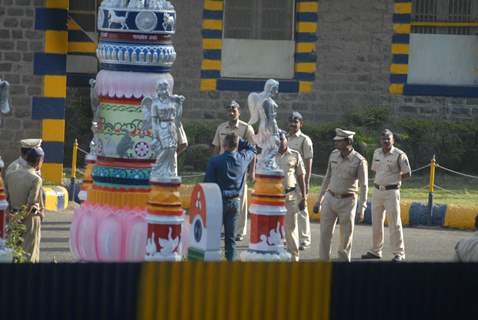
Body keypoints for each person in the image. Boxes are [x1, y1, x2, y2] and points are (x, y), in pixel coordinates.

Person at [313, 128, 368, 262]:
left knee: (346, 237)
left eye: (339, 141)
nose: (336, 143)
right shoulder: (333, 155)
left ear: (348, 141)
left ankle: (343, 266)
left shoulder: (359, 161)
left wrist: (362, 208)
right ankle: (323, 263)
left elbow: (364, 186)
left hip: (348, 201)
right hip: (330, 198)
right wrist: (319, 200)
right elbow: (327, 178)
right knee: (325, 234)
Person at [205, 133, 256, 261]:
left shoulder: (215, 161)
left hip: (218, 202)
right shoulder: (243, 158)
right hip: (235, 202)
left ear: (224, 145)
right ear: (236, 145)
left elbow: (208, 184)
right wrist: (241, 141)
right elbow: (253, 149)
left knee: (213, 237)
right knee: (231, 238)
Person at [362, 129, 411, 262]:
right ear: (380, 140)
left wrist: (395, 179)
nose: (386, 141)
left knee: (394, 223)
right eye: (383, 138)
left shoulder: (399, 155)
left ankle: (399, 253)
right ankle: (375, 250)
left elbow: (408, 173)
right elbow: (375, 171)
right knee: (376, 222)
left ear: (393, 140)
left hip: (391, 192)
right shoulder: (377, 152)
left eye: (388, 138)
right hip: (377, 191)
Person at [212, 100, 255, 241]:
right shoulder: (221, 127)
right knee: (221, 199)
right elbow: (216, 148)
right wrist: (213, 165)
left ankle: (239, 231)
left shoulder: (246, 128)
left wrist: (251, 171)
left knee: (240, 200)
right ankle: (224, 229)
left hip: (238, 170)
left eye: (234, 110)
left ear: (239, 111)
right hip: (222, 169)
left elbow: (252, 151)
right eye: (229, 110)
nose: (231, 113)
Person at [5, 146, 45, 263]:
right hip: (29, 219)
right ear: (39, 161)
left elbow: (5, 199)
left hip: (13, 216)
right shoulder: (36, 179)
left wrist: (12, 217)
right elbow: (31, 203)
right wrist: (21, 218)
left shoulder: (10, 174)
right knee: (29, 254)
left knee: (14, 252)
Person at [276, 132, 307, 261]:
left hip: (290, 196)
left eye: (282, 140)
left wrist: (304, 197)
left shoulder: (295, 155)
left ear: (287, 140)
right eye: (277, 141)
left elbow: (301, 177)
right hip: (273, 198)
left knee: (290, 228)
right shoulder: (270, 155)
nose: (280, 142)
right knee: (274, 230)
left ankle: (294, 257)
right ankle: (276, 256)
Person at [287, 112, 313, 250]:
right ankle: (291, 238)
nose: (292, 124)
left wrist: (307, 183)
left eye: (295, 121)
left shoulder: (305, 140)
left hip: (300, 180)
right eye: (291, 121)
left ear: (301, 124)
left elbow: (308, 163)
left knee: (302, 209)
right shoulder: (284, 138)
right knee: (289, 210)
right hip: (288, 181)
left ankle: (304, 239)